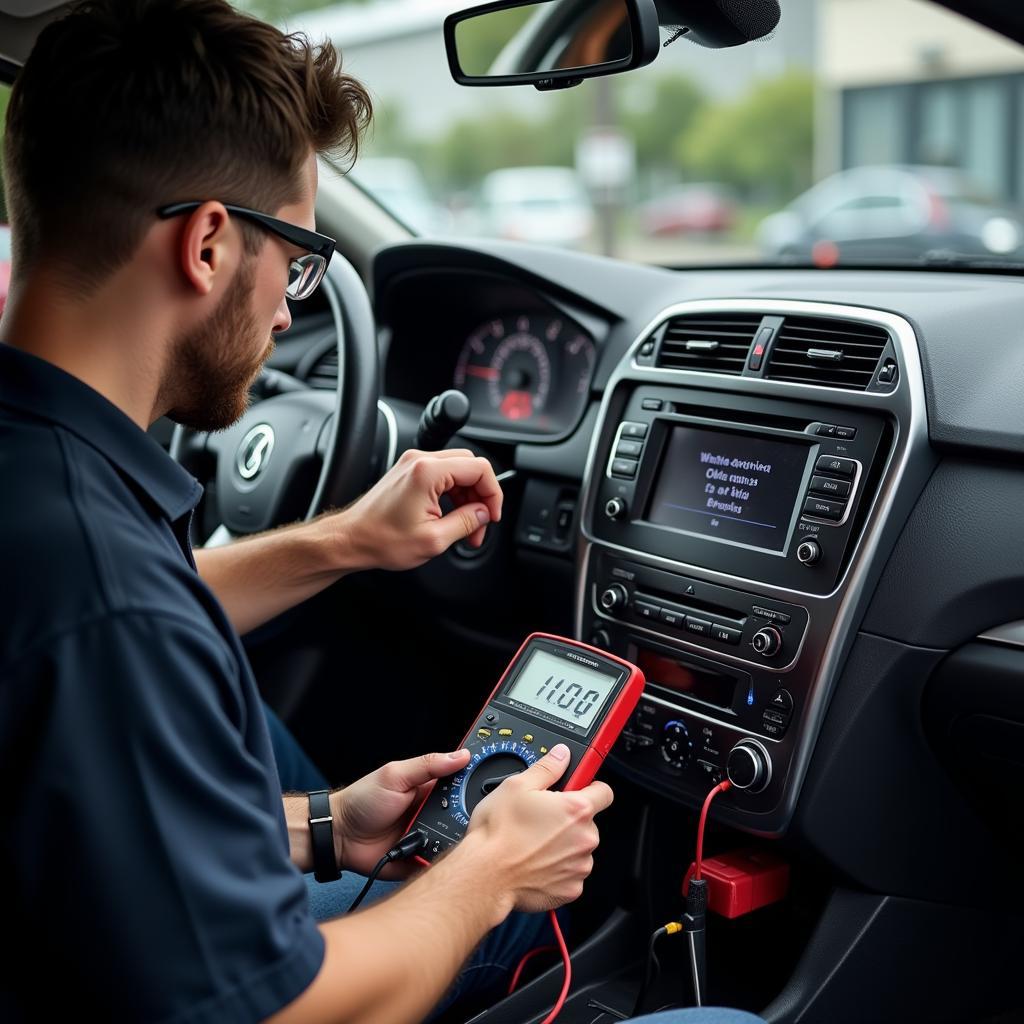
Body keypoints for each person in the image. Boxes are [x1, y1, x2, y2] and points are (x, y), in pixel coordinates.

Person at [0, 2, 765, 1022]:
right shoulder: (100, 592)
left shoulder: (47, 491)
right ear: (210, 245)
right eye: (298, 257)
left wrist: (321, 820)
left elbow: (98, 799)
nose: (287, 309)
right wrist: (489, 870)